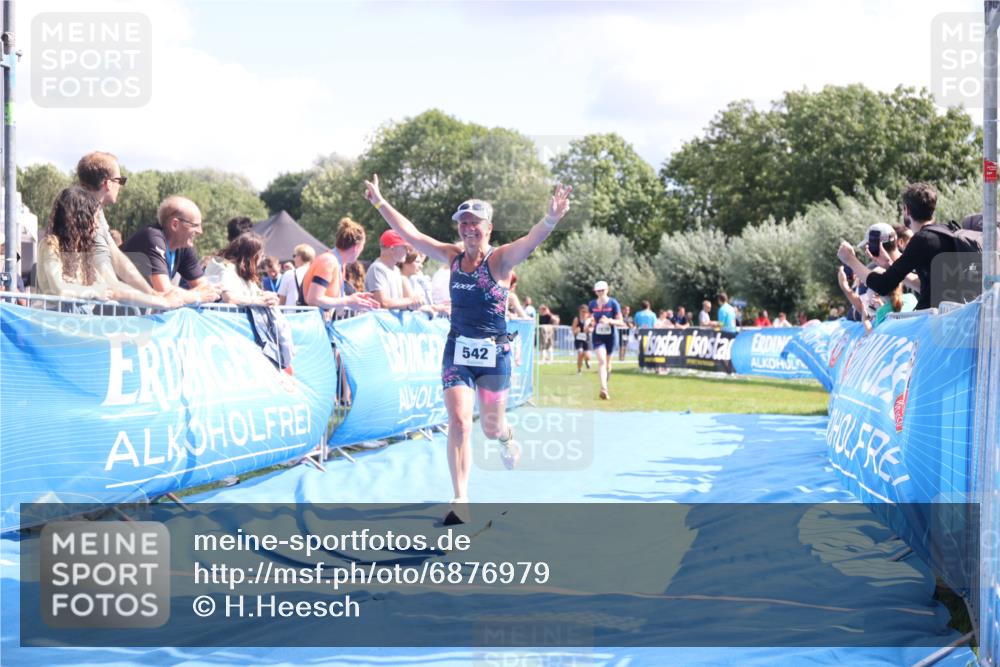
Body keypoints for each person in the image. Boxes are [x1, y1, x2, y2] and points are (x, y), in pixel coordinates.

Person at [363, 174, 571, 522]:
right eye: (463, 224)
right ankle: (460, 498)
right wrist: (381, 202)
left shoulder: (501, 260)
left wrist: (551, 218)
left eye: (475, 224)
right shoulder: (452, 257)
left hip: (495, 355)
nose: (468, 229)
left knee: (491, 427)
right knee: (459, 422)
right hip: (457, 350)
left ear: (488, 228)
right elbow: (413, 235)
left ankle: (506, 436)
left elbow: (530, 241)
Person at [838, 182, 982, 310]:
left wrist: (850, 260)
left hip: (934, 325)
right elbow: (926, 287)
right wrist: (890, 265)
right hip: (956, 320)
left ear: (906, 210)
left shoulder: (922, 240)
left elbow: (882, 285)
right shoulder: (949, 231)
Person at [37, 186, 180, 309]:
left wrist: (156, 298)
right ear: (80, 219)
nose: (97, 225)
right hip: (54, 323)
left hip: (75, 321)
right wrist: (95, 291)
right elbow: (60, 290)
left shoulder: (83, 252)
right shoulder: (51, 245)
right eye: (95, 218)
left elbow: (113, 288)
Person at [76, 151, 161, 297]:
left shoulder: (96, 212)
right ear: (108, 183)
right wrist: (156, 299)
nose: (121, 186)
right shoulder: (84, 216)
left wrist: (151, 292)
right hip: (71, 312)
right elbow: (108, 276)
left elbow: (118, 258)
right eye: (120, 180)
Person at [120, 195, 220, 304]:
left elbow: (205, 288)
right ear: (175, 224)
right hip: (111, 313)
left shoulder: (184, 246)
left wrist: (199, 293)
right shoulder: (152, 237)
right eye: (195, 225)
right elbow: (164, 292)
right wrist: (197, 296)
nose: (200, 231)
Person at [301, 217, 379, 314]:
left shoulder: (339, 264)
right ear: (356, 248)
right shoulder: (328, 261)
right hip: (310, 325)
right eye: (363, 246)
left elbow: (331, 300)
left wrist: (355, 300)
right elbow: (313, 299)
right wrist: (347, 301)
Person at [204, 234, 281, 306]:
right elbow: (230, 299)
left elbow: (254, 293)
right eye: (261, 255)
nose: (262, 259)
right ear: (253, 257)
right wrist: (258, 301)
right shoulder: (225, 268)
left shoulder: (243, 271)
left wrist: (266, 295)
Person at [364, 230, 423, 311]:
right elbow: (383, 303)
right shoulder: (377, 268)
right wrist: (410, 301)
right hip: (380, 323)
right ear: (392, 249)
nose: (408, 251)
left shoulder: (396, 270)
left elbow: (398, 303)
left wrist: (414, 303)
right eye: (404, 247)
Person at [589, 280, 624, 400]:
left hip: (611, 337)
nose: (600, 293)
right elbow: (591, 318)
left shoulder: (613, 303)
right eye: (598, 291)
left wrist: (609, 321)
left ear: (607, 290)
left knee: (608, 364)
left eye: (602, 290)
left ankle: (605, 382)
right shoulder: (592, 304)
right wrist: (589, 323)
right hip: (598, 336)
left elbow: (621, 322)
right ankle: (603, 389)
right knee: (601, 361)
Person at [572, 304, 593, 374]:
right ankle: (579, 369)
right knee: (580, 354)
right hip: (578, 339)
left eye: (585, 312)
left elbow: (592, 328)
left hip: (587, 339)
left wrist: (589, 329)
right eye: (582, 311)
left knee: (588, 356)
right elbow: (573, 330)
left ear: (587, 312)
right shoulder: (577, 319)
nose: (583, 313)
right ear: (579, 312)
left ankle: (587, 361)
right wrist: (576, 331)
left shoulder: (590, 319)